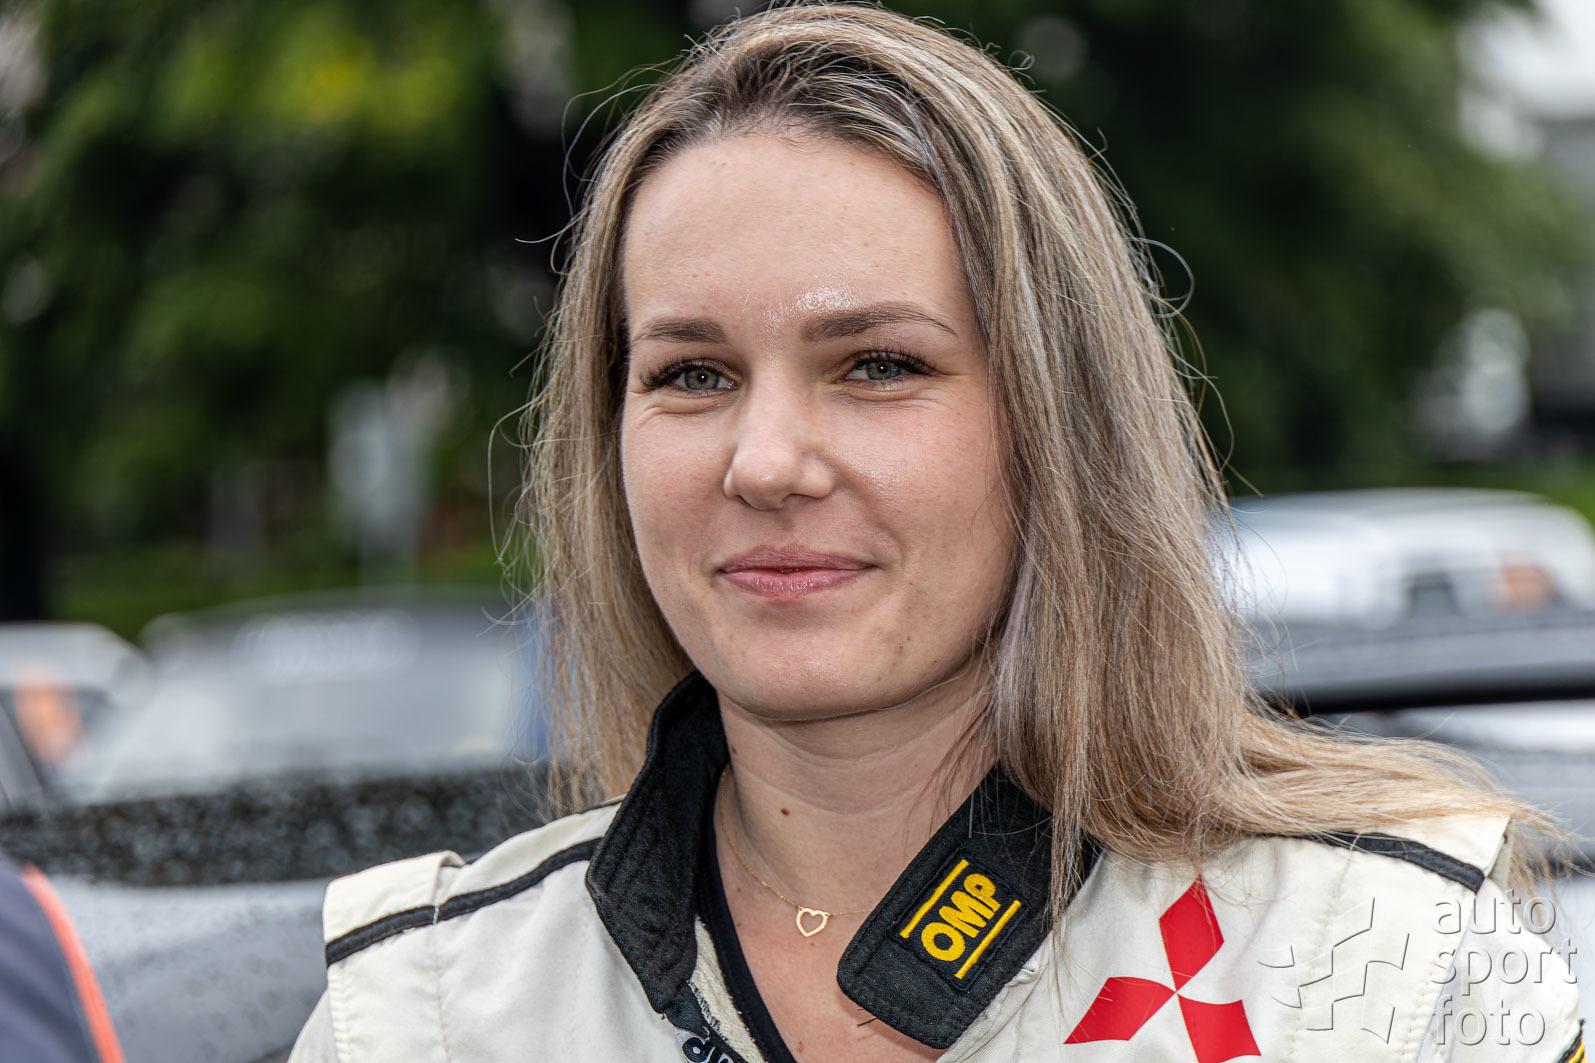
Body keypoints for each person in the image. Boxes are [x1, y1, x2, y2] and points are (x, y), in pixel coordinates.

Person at [289, 4, 1585, 1061]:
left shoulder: (1392, 962)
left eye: (878, 365)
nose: (765, 463)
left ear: (1060, 425)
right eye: (691, 374)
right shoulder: (425, 1012)